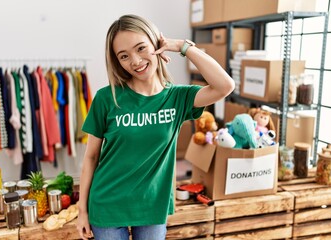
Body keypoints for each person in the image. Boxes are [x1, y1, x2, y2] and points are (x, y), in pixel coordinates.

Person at [77, 14, 234, 240]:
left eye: (141, 48)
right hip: (107, 205)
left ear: (156, 44)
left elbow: (225, 86)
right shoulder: (107, 98)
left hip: (152, 206)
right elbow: (91, 157)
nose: (135, 61)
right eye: (124, 56)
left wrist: (182, 46)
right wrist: (82, 211)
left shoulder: (178, 98)